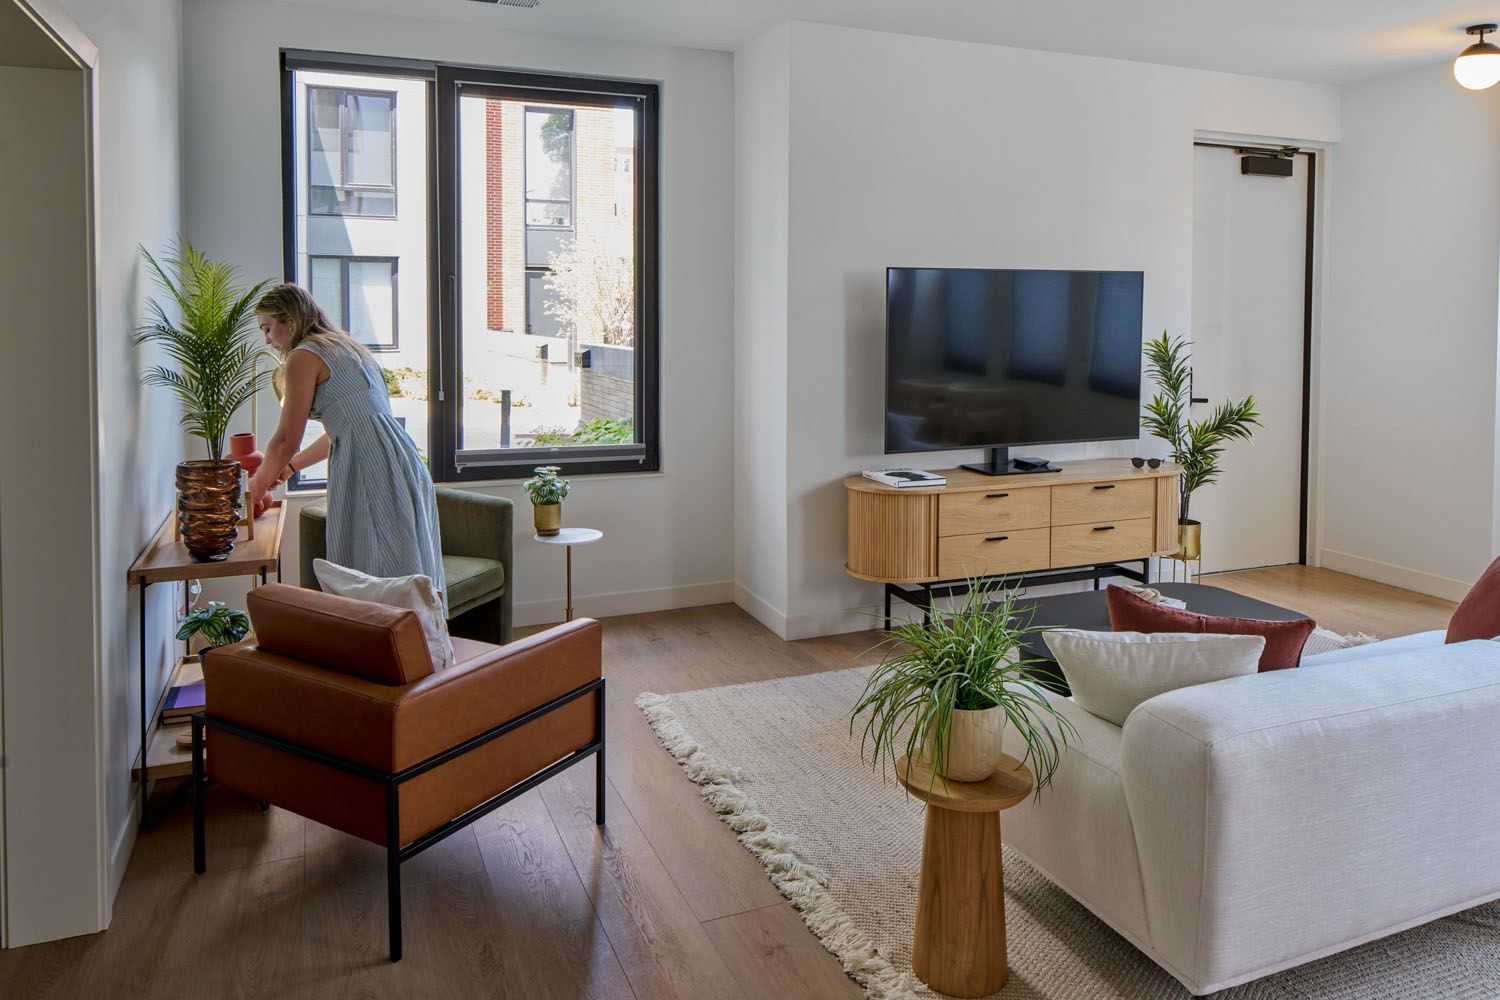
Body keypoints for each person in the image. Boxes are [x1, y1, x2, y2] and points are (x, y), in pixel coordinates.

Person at [248, 284, 444, 600]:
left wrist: (253, 489)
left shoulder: (304, 355)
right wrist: (291, 467)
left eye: (268, 328)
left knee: (373, 573)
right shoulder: (350, 349)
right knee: (405, 567)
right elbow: (345, 428)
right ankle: (419, 642)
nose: (267, 340)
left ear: (290, 322)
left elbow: (285, 438)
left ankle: (378, 644)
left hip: (370, 465)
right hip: (403, 461)